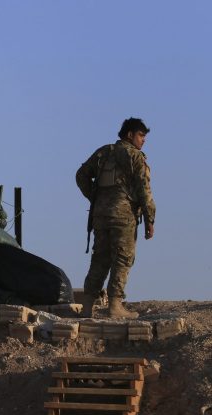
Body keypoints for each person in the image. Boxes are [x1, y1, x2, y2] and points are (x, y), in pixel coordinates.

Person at [75, 118, 156, 319]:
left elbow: (81, 175)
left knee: (100, 258)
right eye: (141, 135)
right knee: (122, 258)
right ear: (130, 135)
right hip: (123, 216)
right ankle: (115, 306)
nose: (143, 140)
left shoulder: (104, 152)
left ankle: (86, 307)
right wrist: (149, 219)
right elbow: (144, 191)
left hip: (101, 216)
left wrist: (96, 198)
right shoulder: (136, 157)